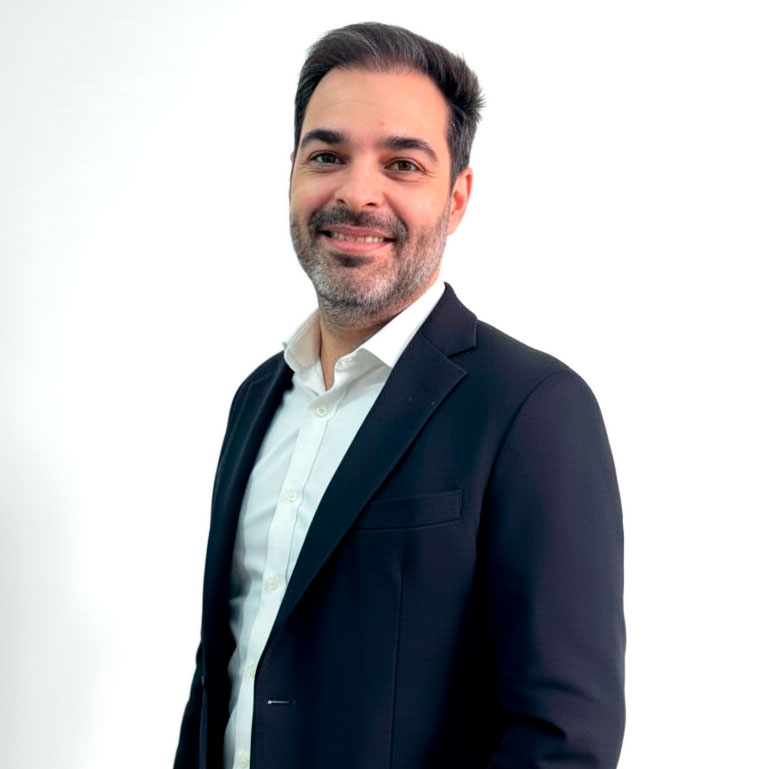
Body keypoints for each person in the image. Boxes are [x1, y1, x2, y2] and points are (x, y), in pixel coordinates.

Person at [174, 22, 625, 769]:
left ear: (457, 198)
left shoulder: (533, 408)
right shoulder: (256, 399)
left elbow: (563, 741)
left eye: (403, 164)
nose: (357, 193)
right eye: (327, 156)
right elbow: (224, 671)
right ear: (292, 175)